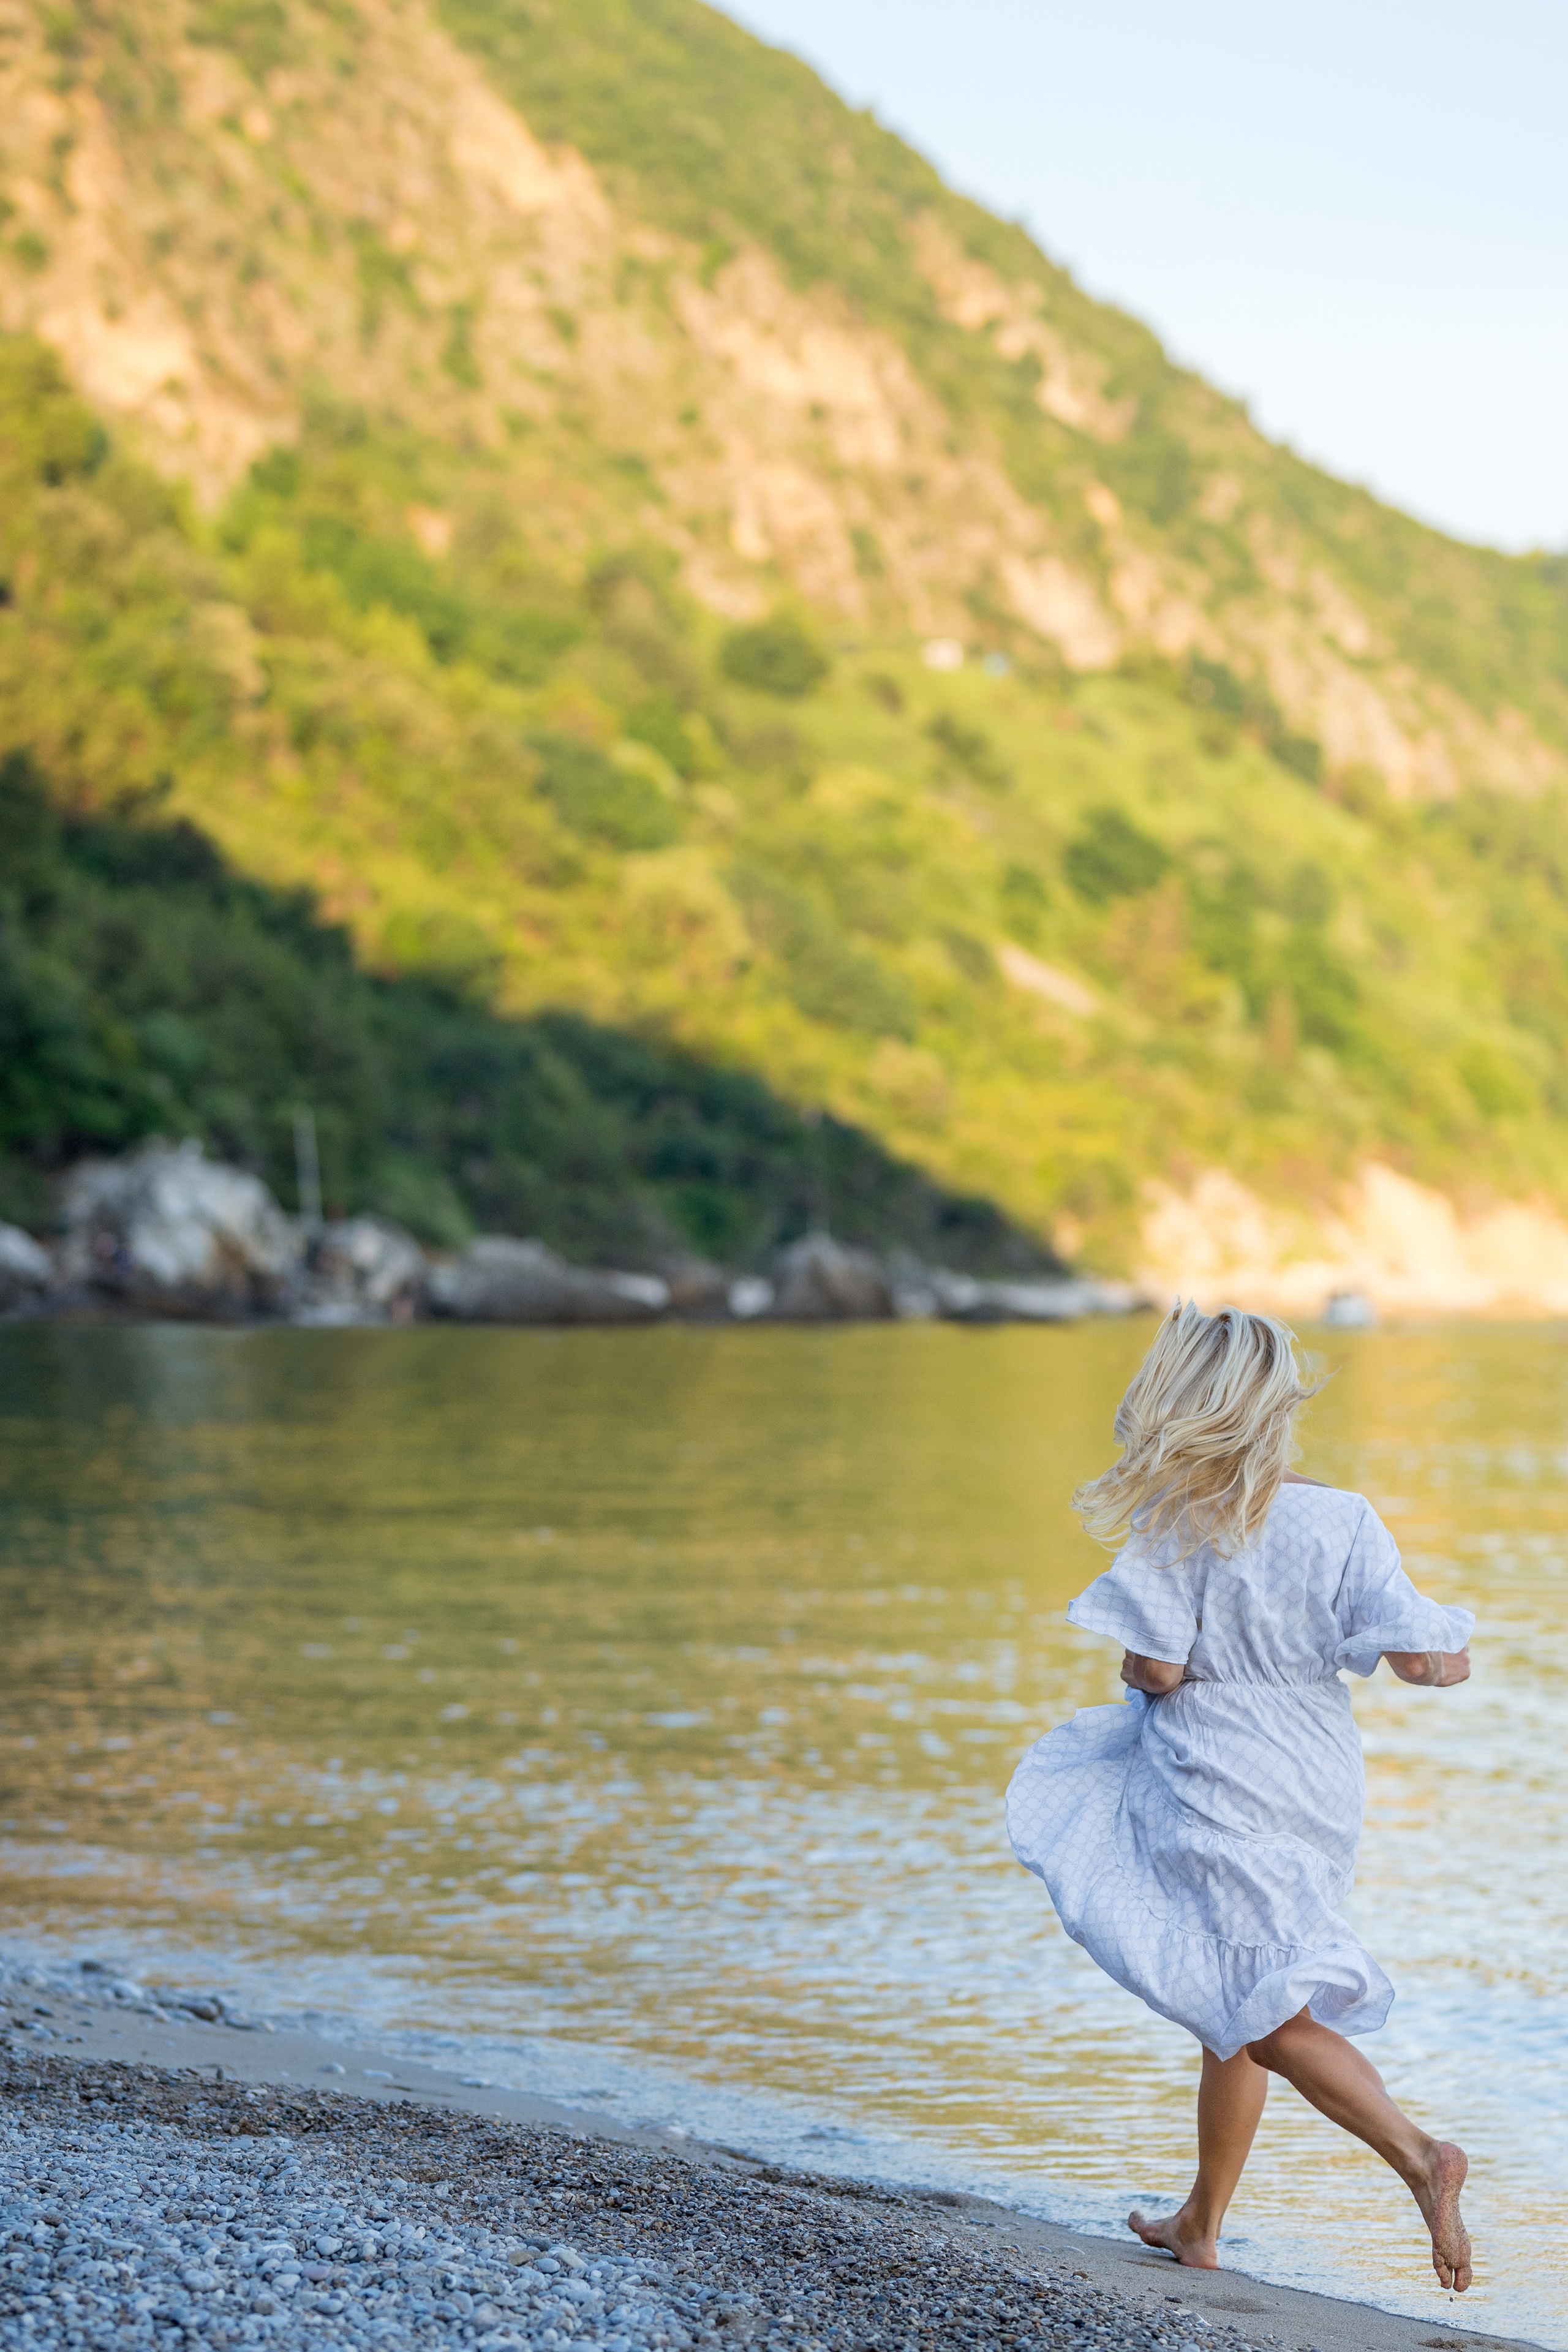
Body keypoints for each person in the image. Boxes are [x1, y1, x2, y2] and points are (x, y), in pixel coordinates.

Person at [1006, 1302, 1475, 2292]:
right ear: (1277, 1406)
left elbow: (1161, 1670)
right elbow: (1427, 1659)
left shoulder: (1182, 1518)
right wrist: (1438, 1655)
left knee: (1260, 2006)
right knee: (1240, 1990)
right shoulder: (1344, 1518)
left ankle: (1418, 2154)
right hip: (1314, 1769)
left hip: (1220, 1769)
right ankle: (1200, 2223)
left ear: (1187, 1403)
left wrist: (1140, 1671)